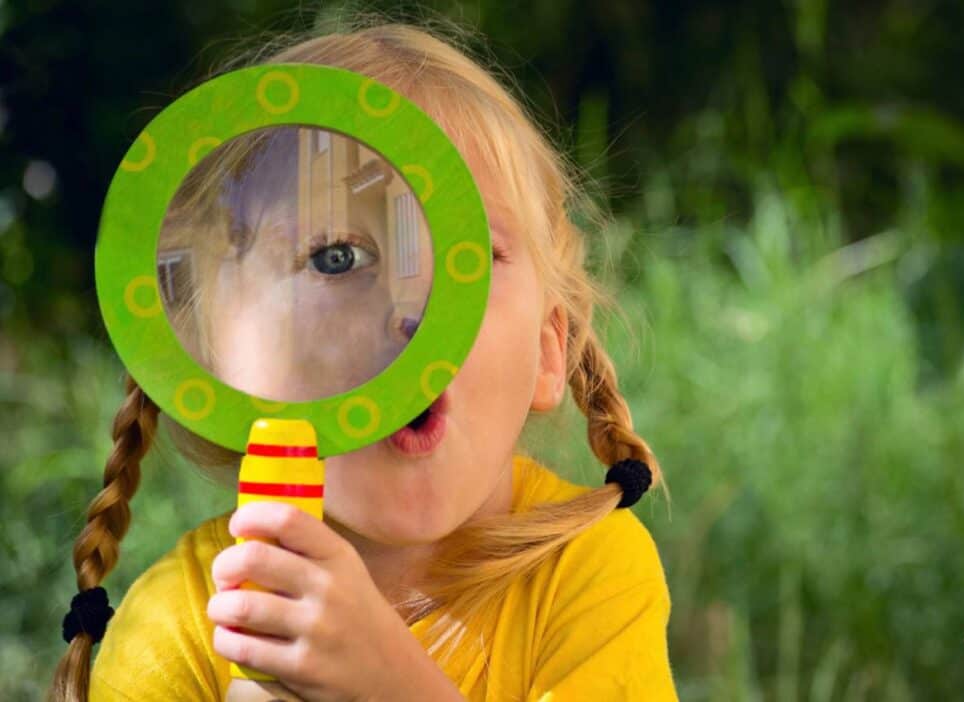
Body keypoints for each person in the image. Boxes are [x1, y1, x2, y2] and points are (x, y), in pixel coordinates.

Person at [50, 16, 678, 702]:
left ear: (547, 352)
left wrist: (391, 687)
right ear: (222, 363)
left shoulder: (589, 574)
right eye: (337, 258)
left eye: (471, 257)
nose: (409, 311)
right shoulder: (179, 622)